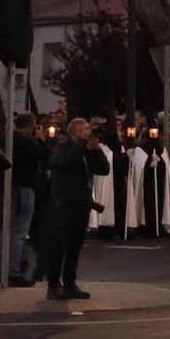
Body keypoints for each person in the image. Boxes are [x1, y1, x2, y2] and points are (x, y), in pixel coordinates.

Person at [43, 118, 109, 301]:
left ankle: (70, 283)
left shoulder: (86, 152)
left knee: (75, 246)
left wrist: (96, 149)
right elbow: (68, 160)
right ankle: (54, 284)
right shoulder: (63, 148)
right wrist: (81, 143)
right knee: (59, 245)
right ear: (76, 132)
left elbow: (104, 169)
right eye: (86, 129)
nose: (90, 132)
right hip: (65, 205)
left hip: (82, 205)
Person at [5, 113, 48, 285]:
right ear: (30, 126)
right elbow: (45, 154)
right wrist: (40, 139)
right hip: (24, 188)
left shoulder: (7, 140)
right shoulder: (26, 142)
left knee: (4, 231)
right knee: (19, 232)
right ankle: (13, 272)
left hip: (10, 188)